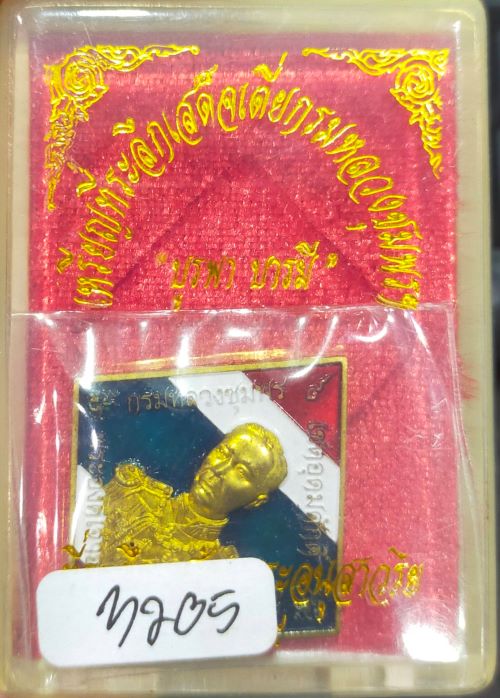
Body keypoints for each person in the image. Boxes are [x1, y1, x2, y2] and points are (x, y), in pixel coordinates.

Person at [99, 423, 288, 566]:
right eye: (223, 452)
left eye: (241, 472)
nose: (218, 470)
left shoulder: (221, 566)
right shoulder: (131, 493)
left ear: (256, 501)